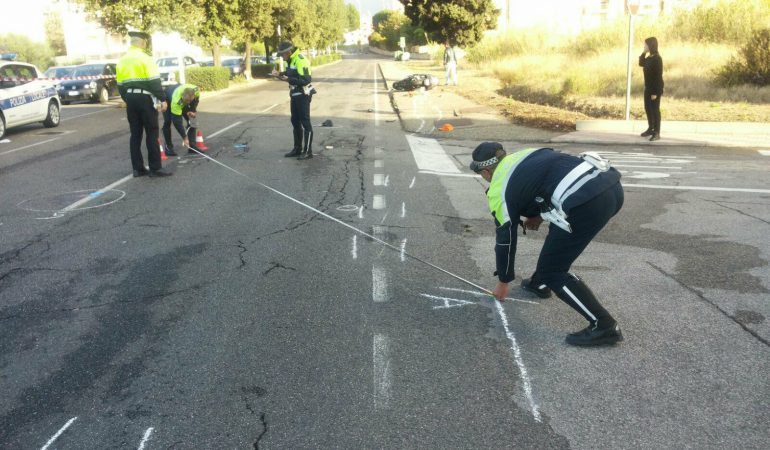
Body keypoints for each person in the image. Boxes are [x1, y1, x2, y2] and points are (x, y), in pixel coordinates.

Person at [470, 142, 625, 346]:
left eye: (481, 174)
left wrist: (503, 281)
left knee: (554, 271)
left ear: (487, 171)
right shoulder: (525, 155)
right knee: (559, 234)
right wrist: (540, 216)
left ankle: (604, 326)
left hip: (587, 203)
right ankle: (540, 283)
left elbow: (505, 240)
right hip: (611, 186)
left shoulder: (498, 189)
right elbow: (549, 180)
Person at [116, 31, 171, 177]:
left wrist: (128, 99)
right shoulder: (145, 58)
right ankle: (155, 168)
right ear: (142, 43)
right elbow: (154, 81)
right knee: (152, 133)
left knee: (135, 135)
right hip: (145, 99)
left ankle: (138, 169)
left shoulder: (122, 60)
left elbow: (120, 85)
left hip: (130, 99)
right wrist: (163, 99)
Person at [272, 41, 315, 160]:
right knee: (295, 122)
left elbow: (306, 79)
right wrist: (279, 74)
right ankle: (297, 149)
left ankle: (308, 152)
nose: (282, 57)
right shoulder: (291, 60)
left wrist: (289, 79)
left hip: (303, 94)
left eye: (283, 55)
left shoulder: (301, 60)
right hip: (294, 95)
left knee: (305, 123)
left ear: (289, 52)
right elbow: (290, 73)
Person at [162, 83, 200, 156]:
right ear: (182, 96)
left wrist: (193, 110)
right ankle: (168, 147)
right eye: (186, 101)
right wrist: (184, 137)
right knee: (167, 121)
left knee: (191, 120)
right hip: (167, 97)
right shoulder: (176, 102)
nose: (188, 102)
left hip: (180, 94)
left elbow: (196, 100)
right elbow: (177, 123)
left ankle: (192, 147)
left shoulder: (196, 90)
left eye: (189, 101)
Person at [639, 37, 664, 141]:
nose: (644, 46)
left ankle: (657, 132)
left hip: (655, 89)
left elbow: (658, 77)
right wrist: (643, 52)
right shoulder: (649, 58)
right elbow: (641, 63)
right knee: (648, 109)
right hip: (648, 88)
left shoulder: (657, 59)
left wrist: (655, 93)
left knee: (655, 110)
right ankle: (650, 128)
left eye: (646, 45)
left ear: (651, 45)